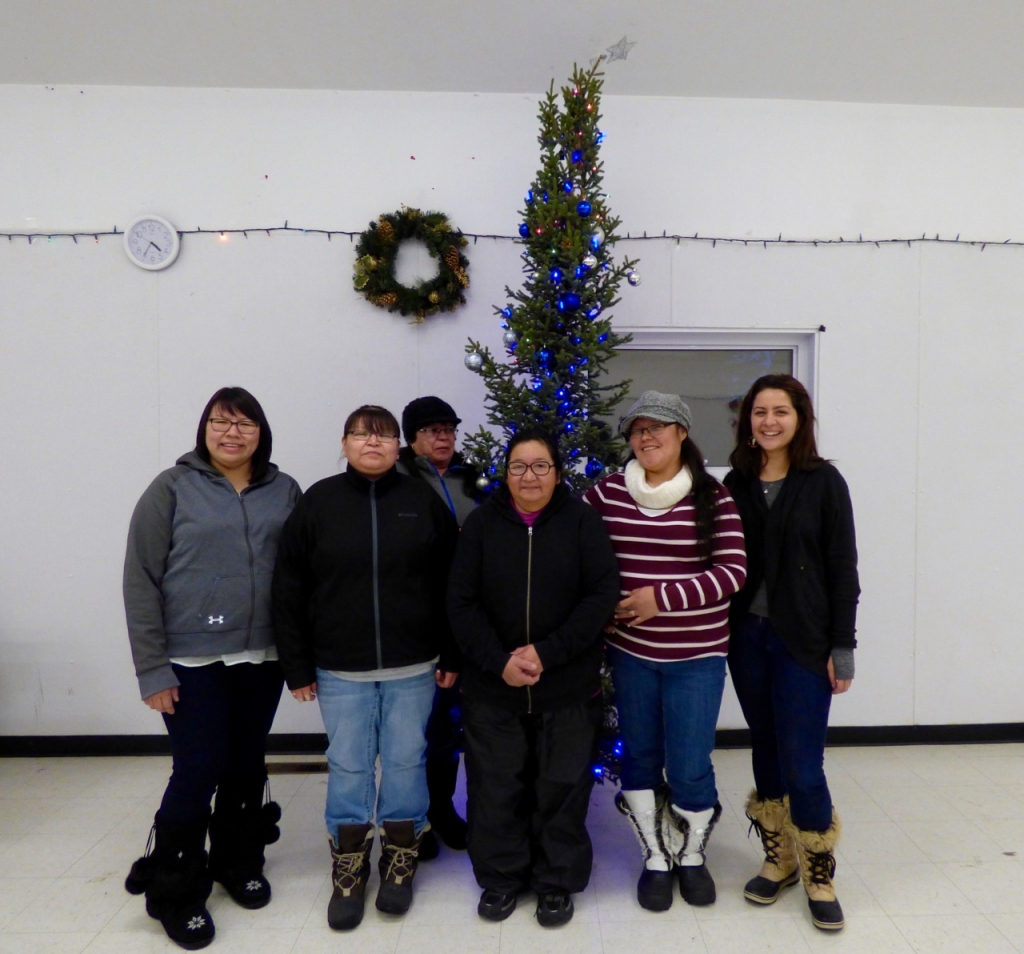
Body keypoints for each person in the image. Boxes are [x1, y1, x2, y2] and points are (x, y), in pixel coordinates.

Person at [123, 386, 301, 951]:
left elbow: (300, 576)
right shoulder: (171, 487)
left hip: (262, 657)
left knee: (246, 764)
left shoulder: (285, 490)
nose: (232, 433)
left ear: (261, 432)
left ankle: (237, 861)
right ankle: (176, 887)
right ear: (204, 430)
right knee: (199, 767)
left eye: (245, 423)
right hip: (192, 659)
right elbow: (140, 580)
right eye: (221, 422)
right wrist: (152, 669)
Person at [272, 405, 459, 932]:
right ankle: (349, 866)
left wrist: (454, 653)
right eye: (361, 434)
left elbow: (454, 582)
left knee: (405, 761)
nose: (372, 444)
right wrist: (297, 665)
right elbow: (288, 587)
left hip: (413, 665)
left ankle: (400, 859)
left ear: (399, 445)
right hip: (339, 667)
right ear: (345, 442)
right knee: (350, 764)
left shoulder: (421, 500)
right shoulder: (319, 502)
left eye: (383, 436)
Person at [447, 429, 619, 927]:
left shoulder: (584, 523)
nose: (529, 476)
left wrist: (547, 653)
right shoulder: (480, 526)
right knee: (495, 787)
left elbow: (600, 595)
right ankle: (502, 878)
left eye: (540, 466)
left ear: (558, 473)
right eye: (519, 466)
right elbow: (460, 602)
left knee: (561, 787)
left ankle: (555, 881)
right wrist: (499, 660)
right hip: (492, 687)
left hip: (565, 685)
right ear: (505, 473)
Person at [584, 391, 747, 912]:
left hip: (697, 656)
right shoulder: (606, 494)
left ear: (682, 434)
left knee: (690, 762)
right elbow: (578, 557)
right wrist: (606, 604)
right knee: (641, 757)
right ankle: (655, 855)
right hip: (631, 655)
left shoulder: (712, 496)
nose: (646, 437)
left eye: (658, 427)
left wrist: (661, 598)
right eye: (637, 430)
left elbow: (733, 572)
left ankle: (692, 853)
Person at [724, 374, 859, 932]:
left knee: (803, 761)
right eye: (760, 412)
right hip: (746, 638)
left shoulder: (824, 482)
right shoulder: (736, 481)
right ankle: (778, 856)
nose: (769, 421)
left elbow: (843, 569)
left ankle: (818, 869)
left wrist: (842, 647)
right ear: (748, 421)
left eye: (780, 411)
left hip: (802, 639)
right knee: (766, 748)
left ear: (799, 418)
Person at [396, 396, 484, 859]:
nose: (444, 436)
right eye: (432, 430)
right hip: (416, 624)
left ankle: (443, 809)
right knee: (414, 730)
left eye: (449, 428)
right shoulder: (397, 482)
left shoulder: (475, 480)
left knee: (448, 726)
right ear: (411, 439)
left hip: (467, 623)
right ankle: (414, 818)